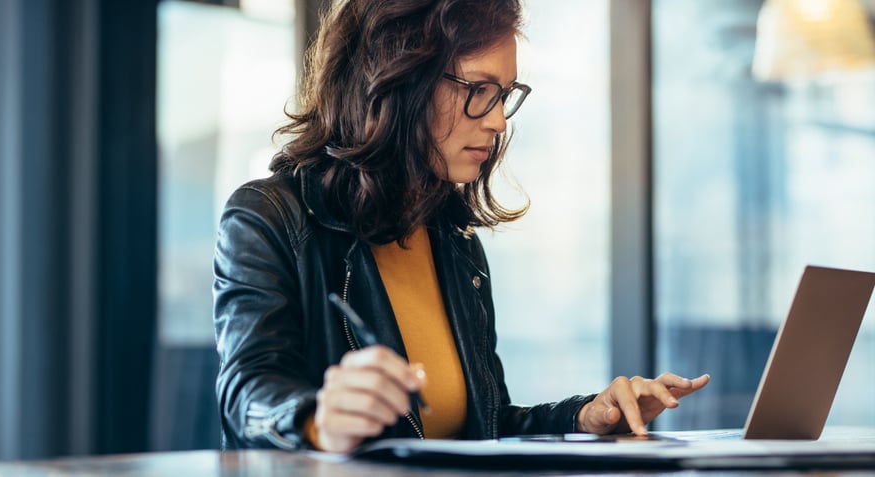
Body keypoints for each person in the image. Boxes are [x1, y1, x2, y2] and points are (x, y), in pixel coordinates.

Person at [213, 0, 709, 454]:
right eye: (478, 91)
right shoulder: (268, 217)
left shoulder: (452, 237)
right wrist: (319, 420)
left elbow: (481, 428)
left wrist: (587, 415)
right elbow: (247, 394)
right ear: (399, 77)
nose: (498, 121)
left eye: (505, 95)